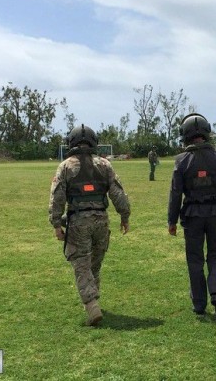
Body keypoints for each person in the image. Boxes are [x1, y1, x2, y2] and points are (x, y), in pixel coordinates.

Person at [49, 124, 130, 326]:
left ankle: (92, 305)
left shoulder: (66, 166)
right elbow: (118, 193)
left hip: (78, 221)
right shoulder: (104, 165)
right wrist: (124, 216)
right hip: (101, 221)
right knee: (94, 263)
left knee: (81, 265)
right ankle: (95, 299)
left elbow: (57, 197)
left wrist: (56, 224)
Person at [168, 113, 216, 315]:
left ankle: (199, 304)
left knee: (195, 260)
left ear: (185, 135)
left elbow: (175, 194)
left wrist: (171, 221)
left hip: (193, 216)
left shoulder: (182, 161)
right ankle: (215, 292)